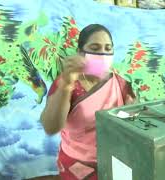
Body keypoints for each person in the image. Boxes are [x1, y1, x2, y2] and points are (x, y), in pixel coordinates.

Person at [40, 24, 135, 180]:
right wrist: (66, 84)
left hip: (114, 162)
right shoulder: (66, 84)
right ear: (80, 52)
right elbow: (51, 127)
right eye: (95, 48)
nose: (103, 54)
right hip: (76, 166)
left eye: (108, 48)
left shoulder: (121, 84)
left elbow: (134, 126)